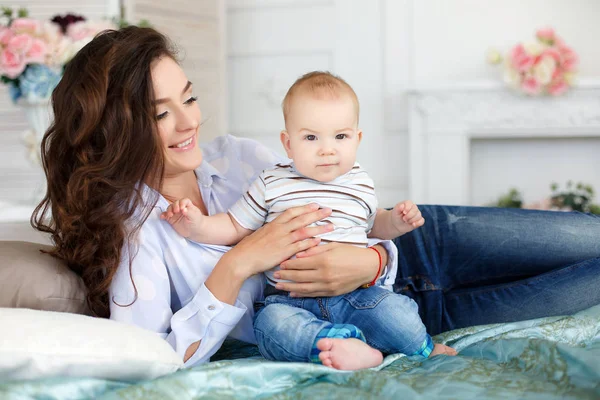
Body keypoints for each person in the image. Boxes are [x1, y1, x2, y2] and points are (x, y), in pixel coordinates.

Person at [32, 26, 600, 369]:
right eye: (161, 113)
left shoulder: (235, 159)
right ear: (117, 129)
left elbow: (345, 198)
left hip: (424, 248)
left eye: (189, 97)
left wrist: (375, 256)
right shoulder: (141, 237)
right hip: (409, 316)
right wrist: (237, 263)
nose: (189, 122)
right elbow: (151, 355)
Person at [160, 71, 456, 369]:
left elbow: (372, 225)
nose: (327, 149)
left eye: (340, 136)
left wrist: (396, 222)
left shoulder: (360, 182)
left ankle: (424, 348)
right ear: (288, 144)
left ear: (357, 138)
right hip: (289, 301)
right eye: (311, 137)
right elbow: (235, 226)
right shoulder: (271, 182)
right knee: (272, 328)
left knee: (396, 314)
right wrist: (196, 225)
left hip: (356, 294)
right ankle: (339, 345)